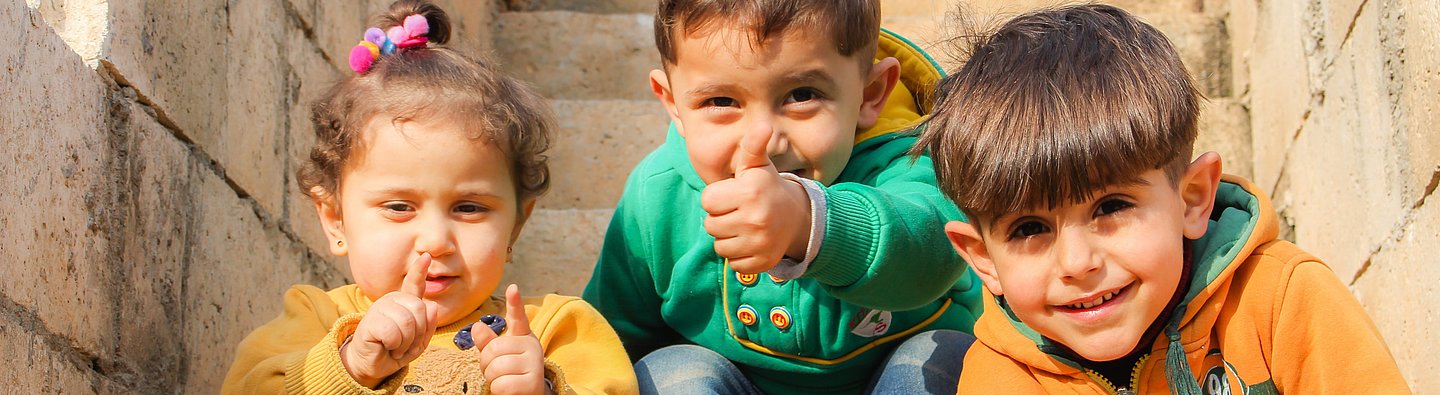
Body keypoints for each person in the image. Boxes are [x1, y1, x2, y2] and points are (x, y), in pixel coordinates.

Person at [916, 4, 1411, 393]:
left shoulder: (1282, 301)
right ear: (983, 259)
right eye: (1029, 229)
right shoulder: (1001, 377)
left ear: (1193, 199)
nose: (1077, 262)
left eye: (1111, 207)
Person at [221, 1, 637, 393]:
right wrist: (349, 366)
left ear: (516, 223)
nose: (436, 240)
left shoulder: (556, 331)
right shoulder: (315, 321)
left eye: (469, 207)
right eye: (399, 207)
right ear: (334, 219)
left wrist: (544, 387)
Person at [581, 0, 983, 393]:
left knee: (942, 356)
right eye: (721, 101)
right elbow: (613, 336)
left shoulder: (914, 163)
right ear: (672, 104)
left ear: (871, 93)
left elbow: (928, 257)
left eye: (802, 95)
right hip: (735, 382)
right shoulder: (657, 192)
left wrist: (809, 222)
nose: (764, 140)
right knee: (669, 369)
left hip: (890, 374)